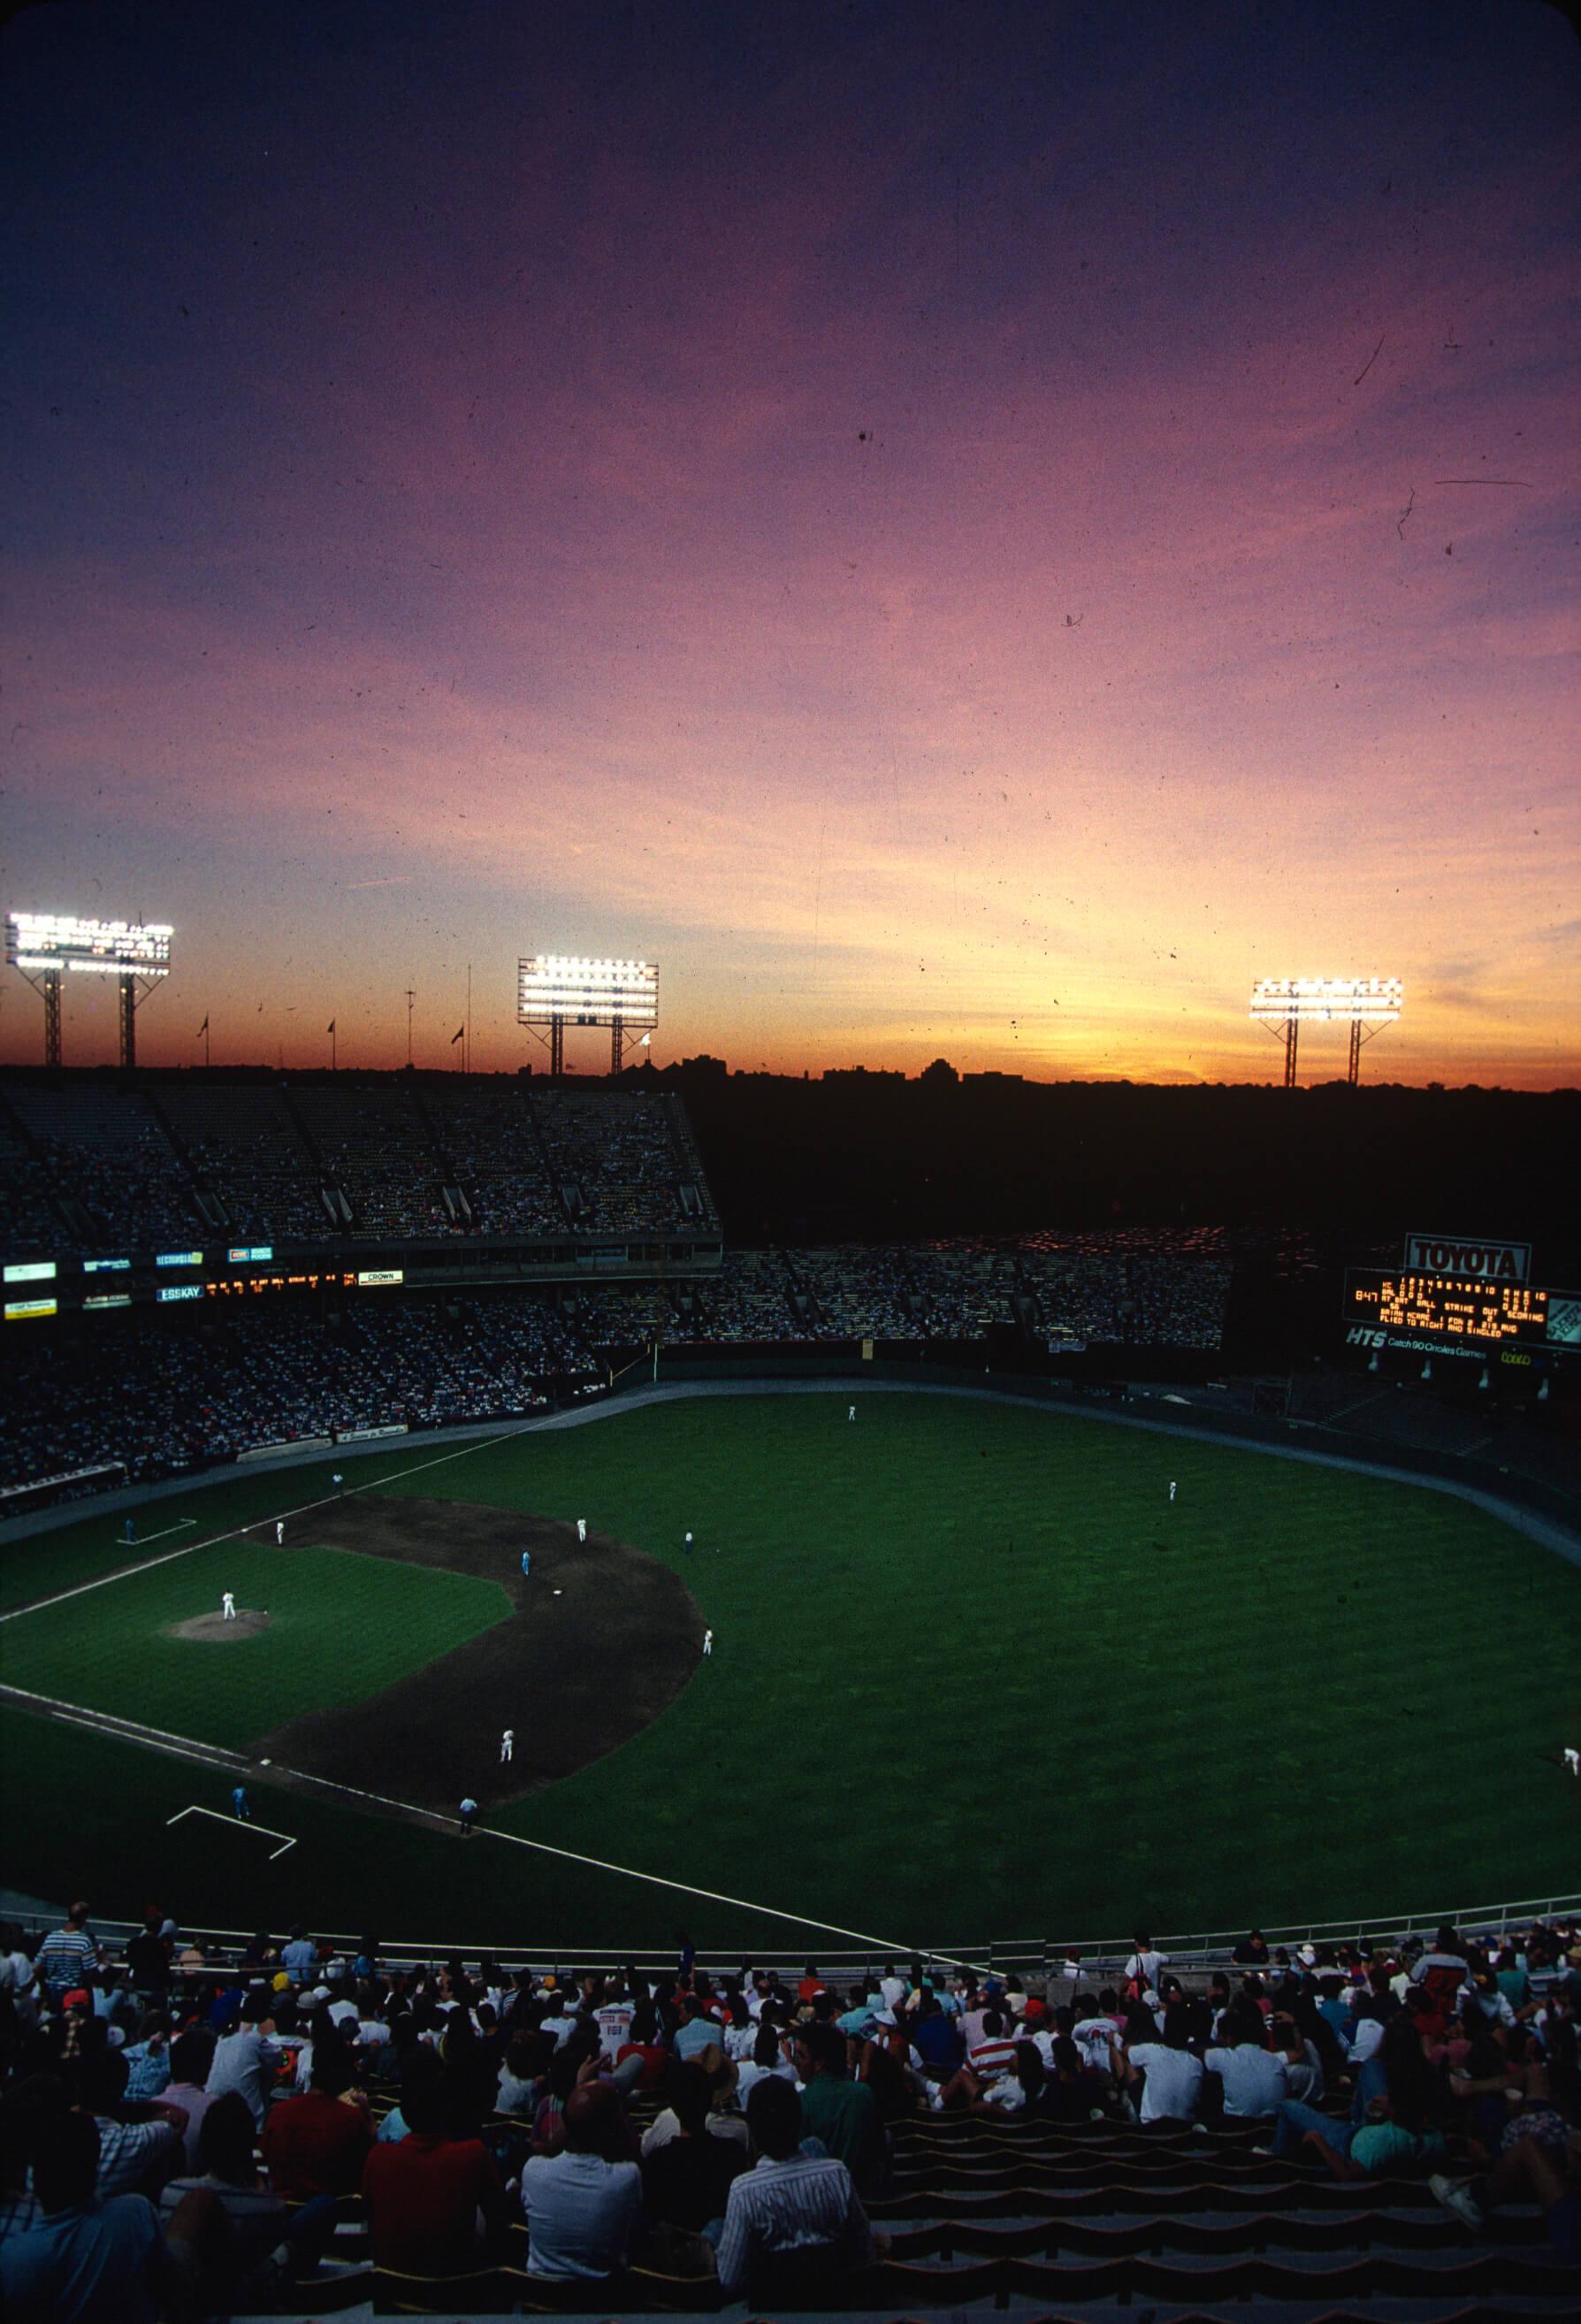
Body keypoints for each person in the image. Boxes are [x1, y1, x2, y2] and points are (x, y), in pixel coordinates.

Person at [0, 2107, 178, 2324]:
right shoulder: (136, 2213)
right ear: (94, 2170)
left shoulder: (15, 2257)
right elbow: (168, 2285)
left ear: (34, 2175)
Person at [716, 2073, 875, 2299]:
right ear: (799, 2122)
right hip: (835, 2307)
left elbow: (730, 2280)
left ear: (754, 2129)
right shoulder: (836, 2175)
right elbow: (863, 2253)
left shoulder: (744, 2191)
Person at [362, 2052, 510, 2274]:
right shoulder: (473, 2155)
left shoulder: (378, 2157)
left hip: (393, 2283)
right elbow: (498, 2220)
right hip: (455, 2281)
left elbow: (371, 2220)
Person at [521, 2081, 643, 2280]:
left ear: (565, 2126)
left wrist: (576, 2095)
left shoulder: (533, 2171)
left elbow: (555, 2144)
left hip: (538, 2302)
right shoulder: (627, 2177)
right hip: (605, 2302)